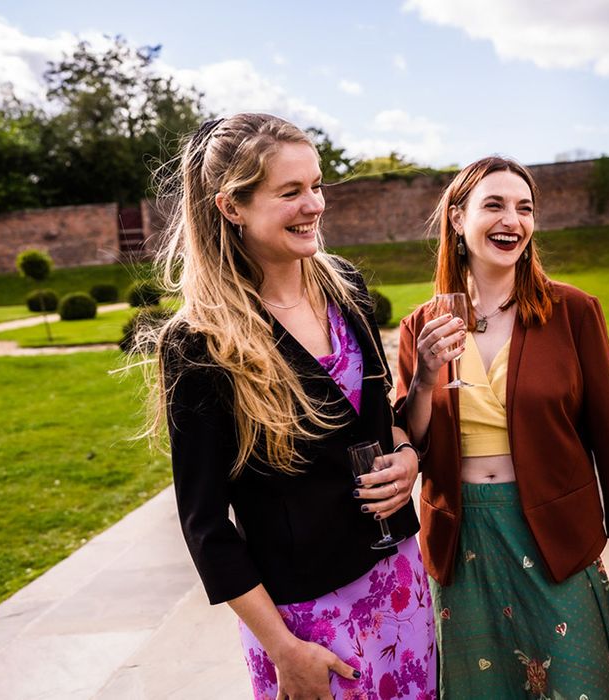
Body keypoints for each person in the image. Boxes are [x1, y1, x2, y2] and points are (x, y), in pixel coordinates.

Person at [152, 114, 436, 699]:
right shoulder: (199, 342)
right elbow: (205, 527)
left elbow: (381, 419)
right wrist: (284, 649)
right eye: (290, 192)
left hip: (401, 581)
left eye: (317, 185)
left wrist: (406, 458)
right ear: (232, 207)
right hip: (307, 622)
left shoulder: (345, 286)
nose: (314, 205)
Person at [394, 155, 609, 698]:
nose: (512, 219)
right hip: (459, 541)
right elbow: (410, 444)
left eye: (525, 208)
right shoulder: (422, 324)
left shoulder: (573, 311)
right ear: (458, 219)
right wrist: (424, 376)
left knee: (580, 685)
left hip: (557, 536)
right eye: (494, 205)